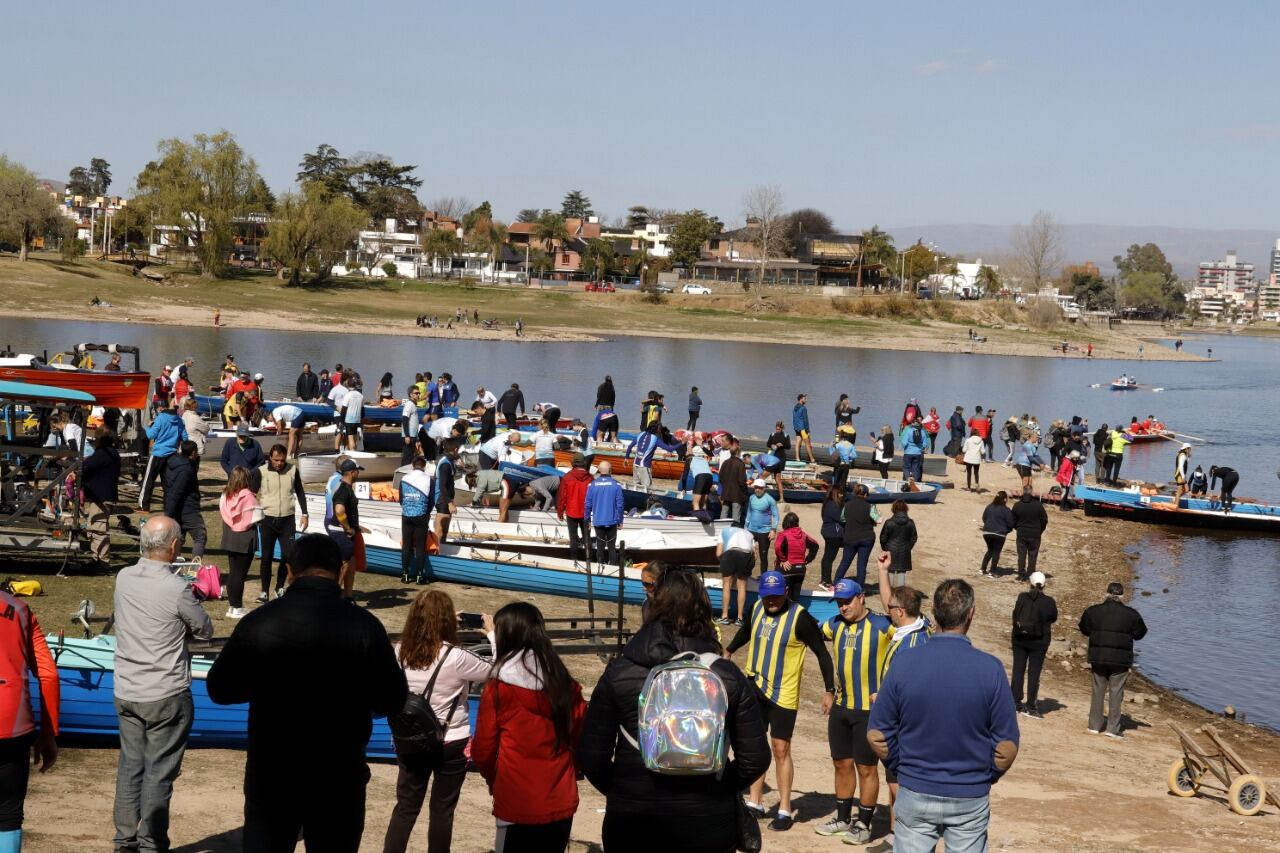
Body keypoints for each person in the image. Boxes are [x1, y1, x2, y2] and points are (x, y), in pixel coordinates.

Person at [207, 533, 408, 851]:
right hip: (338, 774)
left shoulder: (260, 622)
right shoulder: (365, 626)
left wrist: (266, 682)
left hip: (273, 773)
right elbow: (392, 699)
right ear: (342, 571)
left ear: (289, 571)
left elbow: (220, 688)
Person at [577, 570, 770, 853]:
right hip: (707, 818)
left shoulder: (620, 671)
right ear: (704, 612)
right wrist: (719, 784)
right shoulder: (726, 676)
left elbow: (591, 757)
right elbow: (755, 758)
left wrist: (624, 790)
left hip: (633, 819)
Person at [868, 578, 1019, 853]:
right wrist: (985, 775)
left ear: (934, 613)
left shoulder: (905, 663)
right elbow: (1006, 747)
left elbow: (878, 734)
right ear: (971, 613)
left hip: (915, 787)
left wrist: (902, 766)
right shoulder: (991, 669)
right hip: (969, 793)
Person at [112, 515, 214, 853]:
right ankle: (151, 844)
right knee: (159, 774)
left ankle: (124, 840)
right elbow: (205, 629)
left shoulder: (124, 577)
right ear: (173, 547)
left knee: (130, 767)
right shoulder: (175, 588)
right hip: (165, 692)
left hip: (127, 689)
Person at [383, 591, 494, 853]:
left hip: (410, 738)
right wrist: (491, 634)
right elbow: (497, 668)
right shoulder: (456, 657)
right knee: (442, 810)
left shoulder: (398, 651)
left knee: (406, 807)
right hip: (451, 739)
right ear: (447, 621)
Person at [471, 602, 588, 852]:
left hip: (516, 800)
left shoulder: (499, 687)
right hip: (558, 797)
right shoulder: (565, 685)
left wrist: (496, 779)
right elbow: (581, 739)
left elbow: (483, 750)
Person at [726, 572, 836, 832]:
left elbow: (822, 653)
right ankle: (755, 802)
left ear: (786, 591)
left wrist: (829, 689)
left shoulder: (800, 618)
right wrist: (729, 649)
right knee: (754, 745)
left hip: (783, 692)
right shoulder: (757, 608)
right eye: (767, 596)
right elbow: (747, 631)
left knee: (780, 748)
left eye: (775, 595)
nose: (771, 601)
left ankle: (785, 808)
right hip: (755, 686)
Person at [814, 577, 892, 844]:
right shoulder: (834, 624)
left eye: (847, 601)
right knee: (841, 764)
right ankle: (843, 818)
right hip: (841, 707)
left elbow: (912, 631)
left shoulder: (882, 625)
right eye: (839, 602)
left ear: (861, 598)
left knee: (866, 768)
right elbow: (811, 632)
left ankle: (864, 823)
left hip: (869, 710)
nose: (843, 607)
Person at [0, 564, 59, 851]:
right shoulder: (21, 610)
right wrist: (49, 732)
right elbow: (48, 674)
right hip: (12, 723)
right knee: (8, 813)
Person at [1078, 582, 1148, 737]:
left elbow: (1084, 628)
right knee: (1116, 693)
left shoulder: (1093, 611)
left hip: (1099, 657)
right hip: (1120, 660)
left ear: (1107, 594)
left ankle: (1094, 726)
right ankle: (1112, 729)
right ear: (1122, 596)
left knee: (1098, 690)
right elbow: (1140, 633)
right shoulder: (1131, 614)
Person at [257, 445, 307, 601]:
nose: (279, 463)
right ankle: (264, 591)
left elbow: (300, 492)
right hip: (267, 519)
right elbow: (251, 494)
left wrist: (305, 514)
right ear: (270, 458)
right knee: (266, 556)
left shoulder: (293, 470)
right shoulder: (261, 471)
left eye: (282, 460)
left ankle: (279, 587)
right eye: (276, 460)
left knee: (288, 555)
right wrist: (253, 515)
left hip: (287, 519)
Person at [1011, 571, 1057, 719]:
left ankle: (1015, 702)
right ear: (1044, 585)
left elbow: (1015, 614)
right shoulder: (1049, 601)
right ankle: (1031, 705)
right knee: (1034, 673)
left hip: (1020, 638)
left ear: (1029, 583)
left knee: (1018, 669)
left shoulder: (1022, 597)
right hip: (1039, 641)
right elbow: (1053, 617)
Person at [220, 466, 262, 619]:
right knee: (240, 574)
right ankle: (237, 607)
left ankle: (232, 606)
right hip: (245, 538)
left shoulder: (225, 495)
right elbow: (257, 517)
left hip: (230, 536)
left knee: (233, 572)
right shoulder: (249, 496)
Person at [325, 459, 368, 600]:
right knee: (343, 565)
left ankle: (347, 596)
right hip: (340, 532)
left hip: (342, 530)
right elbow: (339, 510)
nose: (358, 473)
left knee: (349, 562)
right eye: (357, 471)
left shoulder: (346, 488)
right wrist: (348, 527)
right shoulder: (344, 490)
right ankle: (333, 596)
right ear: (351, 472)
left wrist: (355, 527)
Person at [81, 427, 122, 572]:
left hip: (101, 497)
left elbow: (86, 466)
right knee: (94, 528)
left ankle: (102, 561)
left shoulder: (103, 453)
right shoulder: (110, 453)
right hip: (102, 496)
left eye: (96, 439)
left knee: (98, 529)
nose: (94, 442)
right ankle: (96, 557)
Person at [138, 402, 187, 512]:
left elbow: (150, 435)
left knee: (148, 480)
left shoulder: (160, 418)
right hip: (172, 454)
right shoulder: (179, 420)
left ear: (160, 408)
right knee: (168, 482)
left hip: (158, 453)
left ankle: (143, 506)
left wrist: (149, 426)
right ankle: (168, 506)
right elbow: (185, 437)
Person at [163, 440, 206, 562]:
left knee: (179, 537)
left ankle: (175, 562)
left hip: (177, 508)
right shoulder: (186, 470)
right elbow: (176, 492)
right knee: (200, 536)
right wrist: (168, 514)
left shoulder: (174, 463)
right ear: (193, 453)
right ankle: (194, 567)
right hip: (187, 508)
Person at [399, 455, 435, 584]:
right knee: (420, 547)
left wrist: (408, 508)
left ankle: (405, 575)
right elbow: (432, 501)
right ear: (424, 466)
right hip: (421, 516)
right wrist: (426, 513)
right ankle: (420, 576)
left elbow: (401, 499)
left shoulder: (404, 478)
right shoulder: (429, 480)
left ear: (412, 466)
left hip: (406, 515)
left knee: (406, 545)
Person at [834, 483, 877, 586]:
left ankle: (836, 584)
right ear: (865, 495)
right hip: (866, 537)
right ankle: (860, 590)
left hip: (850, 537)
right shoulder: (870, 506)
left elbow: (842, 519)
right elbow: (878, 519)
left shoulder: (847, 505)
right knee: (862, 564)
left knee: (845, 562)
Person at [584, 460, 625, 568]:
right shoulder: (616, 485)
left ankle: (600, 566)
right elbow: (620, 505)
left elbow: (587, 504)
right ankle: (612, 567)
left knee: (600, 546)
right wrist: (620, 521)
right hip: (612, 521)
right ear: (610, 470)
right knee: (611, 547)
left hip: (598, 521)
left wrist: (587, 520)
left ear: (599, 470)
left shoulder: (592, 485)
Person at [716, 524, 757, 624]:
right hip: (746, 555)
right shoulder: (749, 534)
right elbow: (755, 555)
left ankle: (724, 616)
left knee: (726, 584)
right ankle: (739, 618)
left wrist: (724, 562)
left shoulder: (724, 530)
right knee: (742, 586)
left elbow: (718, 553)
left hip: (730, 553)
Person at [773, 511, 818, 600]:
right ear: (797, 523)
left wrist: (783, 560)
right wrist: (807, 560)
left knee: (783, 596)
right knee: (795, 597)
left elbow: (778, 547)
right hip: (800, 569)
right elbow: (815, 545)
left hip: (787, 568)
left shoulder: (783, 534)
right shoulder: (803, 535)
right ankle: (794, 611)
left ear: (785, 523)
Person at [557, 452, 593, 563]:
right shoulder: (590, 478)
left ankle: (574, 560)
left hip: (571, 512)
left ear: (573, 463)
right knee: (587, 537)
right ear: (584, 463)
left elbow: (562, 496)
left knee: (573, 538)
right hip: (585, 512)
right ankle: (589, 561)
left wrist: (560, 511)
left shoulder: (567, 477)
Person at [625, 423, 680, 490]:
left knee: (635, 487)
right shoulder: (655, 439)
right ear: (656, 430)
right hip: (644, 467)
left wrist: (626, 458)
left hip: (635, 465)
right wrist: (682, 443)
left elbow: (630, 446)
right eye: (659, 429)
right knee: (647, 488)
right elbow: (669, 449)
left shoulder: (641, 434)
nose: (660, 431)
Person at [1011, 486, 1048, 581]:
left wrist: (1018, 528)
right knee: (1032, 555)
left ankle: (1021, 574)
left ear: (1023, 492)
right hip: (1035, 534)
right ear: (1031, 492)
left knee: (1021, 554)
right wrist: (1040, 530)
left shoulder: (1017, 505)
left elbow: (1012, 520)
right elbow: (1044, 520)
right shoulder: (1038, 505)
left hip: (1022, 533)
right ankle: (1030, 575)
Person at [878, 500, 918, 586]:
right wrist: (908, 547)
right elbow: (914, 538)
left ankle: (889, 594)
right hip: (904, 550)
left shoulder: (889, 522)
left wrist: (885, 548)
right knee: (901, 573)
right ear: (905, 509)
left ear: (894, 509)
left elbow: (883, 538)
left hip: (890, 549)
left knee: (890, 571)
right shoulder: (910, 522)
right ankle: (900, 595)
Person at [744, 478, 780, 570]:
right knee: (748, 554)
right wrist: (745, 527)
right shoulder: (751, 498)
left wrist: (773, 530)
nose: (757, 490)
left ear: (764, 488)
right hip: (751, 530)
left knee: (763, 556)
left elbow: (776, 516)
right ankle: (746, 575)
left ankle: (763, 577)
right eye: (756, 487)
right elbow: (749, 513)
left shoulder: (770, 500)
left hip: (764, 532)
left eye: (760, 488)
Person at [979, 491, 1015, 578]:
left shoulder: (989, 507)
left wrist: (989, 526)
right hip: (999, 534)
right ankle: (992, 572)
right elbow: (1011, 524)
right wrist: (1007, 531)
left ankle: (982, 569)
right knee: (996, 552)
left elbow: (984, 518)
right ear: (1005, 499)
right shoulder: (1006, 510)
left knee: (990, 550)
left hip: (987, 533)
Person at [819, 485, 845, 591]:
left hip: (829, 532)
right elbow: (842, 518)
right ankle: (826, 581)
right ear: (835, 493)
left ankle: (825, 580)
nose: (842, 495)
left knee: (828, 557)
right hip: (833, 534)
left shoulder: (828, 503)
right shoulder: (833, 505)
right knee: (829, 558)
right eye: (840, 493)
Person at [434, 442, 460, 545]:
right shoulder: (445, 464)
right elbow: (442, 486)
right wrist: (449, 503)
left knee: (445, 529)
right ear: (455, 449)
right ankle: (436, 552)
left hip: (447, 498)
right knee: (440, 530)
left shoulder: (450, 461)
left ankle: (443, 548)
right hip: (442, 498)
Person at [717, 445, 748, 526]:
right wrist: (745, 491)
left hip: (726, 492)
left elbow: (720, 477)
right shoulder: (740, 463)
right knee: (736, 516)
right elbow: (742, 481)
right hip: (736, 494)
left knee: (724, 513)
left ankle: (720, 529)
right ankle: (734, 532)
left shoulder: (725, 462)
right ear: (738, 452)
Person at [341, 376, 365, 451]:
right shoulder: (361, 396)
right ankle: (355, 452)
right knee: (355, 438)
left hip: (349, 420)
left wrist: (342, 422)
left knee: (350, 438)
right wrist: (362, 421)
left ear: (348, 385)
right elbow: (362, 410)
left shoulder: (347, 395)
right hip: (357, 420)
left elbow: (343, 410)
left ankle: (352, 454)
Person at [686, 445, 714, 512]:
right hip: (710, 477)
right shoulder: (704, 459)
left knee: (695, 502)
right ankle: (704, 518)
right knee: (703, 502)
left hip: (701, 477)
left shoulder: (689, 459)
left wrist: (684, 488)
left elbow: (684, 476)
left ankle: (697, 518)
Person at [830, 426, 858, 491]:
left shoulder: (839, 444)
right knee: (844, 480)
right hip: (847, 464)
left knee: (837, 478)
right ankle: (843, 493)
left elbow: (834, 449)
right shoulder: (851, 445)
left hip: (840, 463)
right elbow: (854, 456)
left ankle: (835, 491)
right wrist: (848, 456)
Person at [793, 393, 816, 464]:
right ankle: (812, 459)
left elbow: (794, 418)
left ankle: (797, 458)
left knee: (797, 444)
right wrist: (808, 430)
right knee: (807, 444)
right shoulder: (803, 408)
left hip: (797, 428)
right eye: (805, 399)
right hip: (803, 429)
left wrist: (795, 427)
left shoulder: (795, 407)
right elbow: (805, 420)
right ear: (801, 399)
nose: (806, 400)